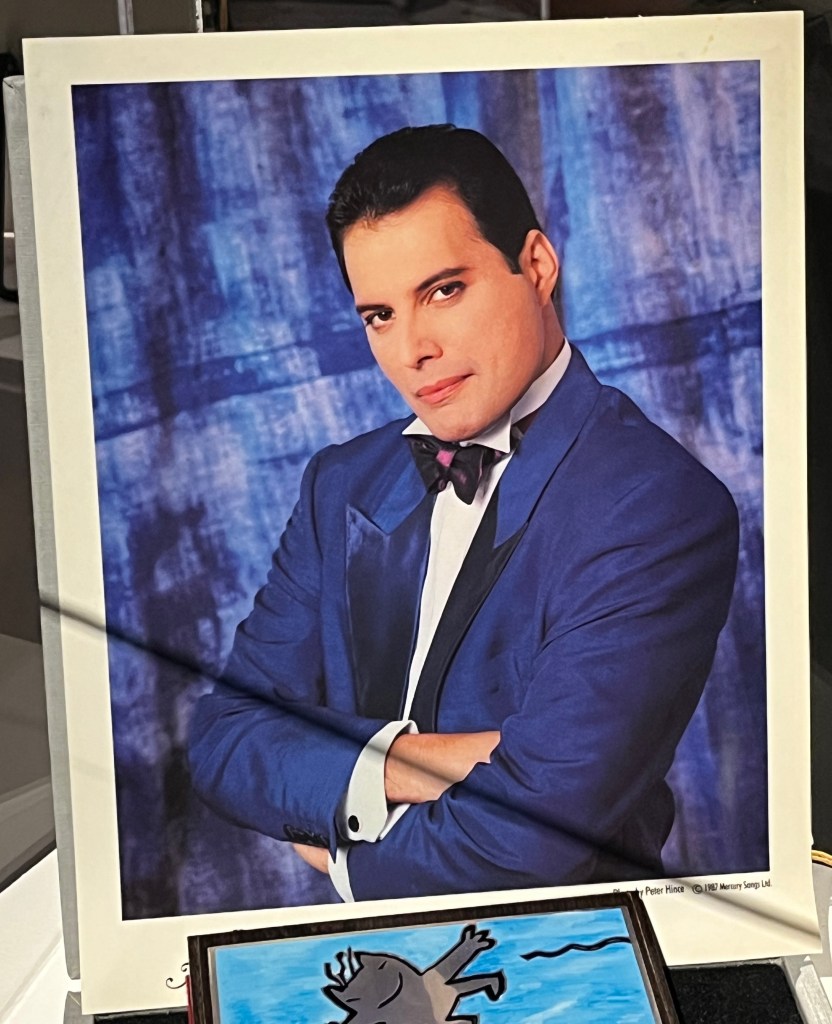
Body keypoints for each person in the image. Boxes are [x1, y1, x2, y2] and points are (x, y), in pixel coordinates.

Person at [189, 124, 739, 903]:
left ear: (537, 266)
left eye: (443, 290)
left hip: (565, 961)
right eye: (379, 315)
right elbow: (220, 739)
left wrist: (342, 851)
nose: (413, 348)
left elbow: (539, 829)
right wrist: (423, 760)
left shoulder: (658, 505)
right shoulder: (339, 483)